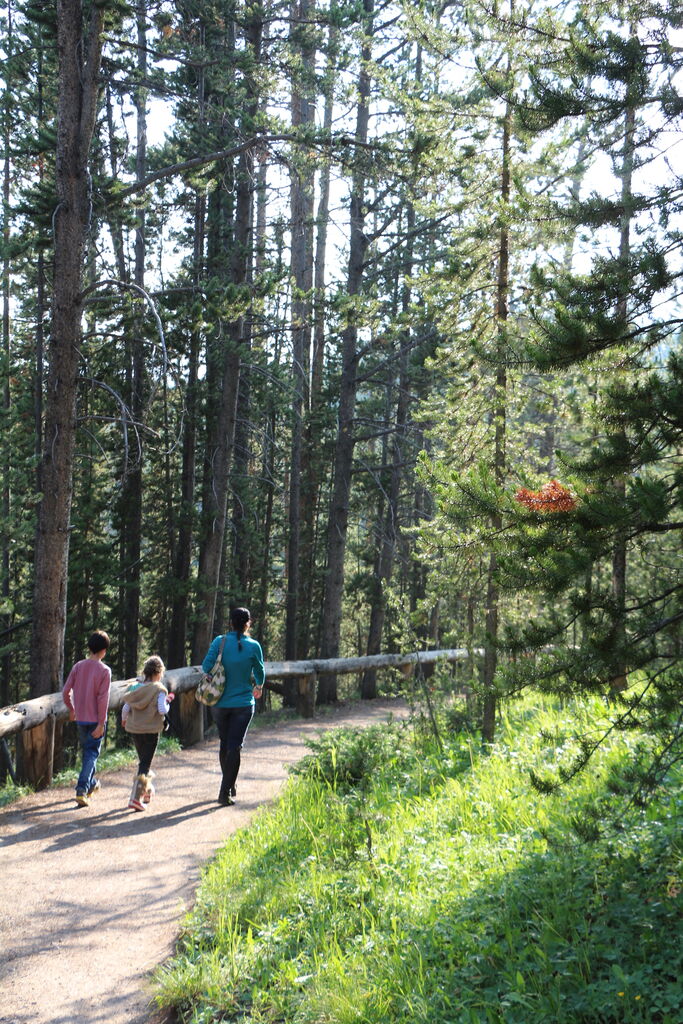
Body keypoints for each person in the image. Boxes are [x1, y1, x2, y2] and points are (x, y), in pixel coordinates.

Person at [201, 607, 265, 806]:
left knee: (225, 742)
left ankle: (228, 783)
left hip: (219, 702)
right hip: (243, 703)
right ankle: (225, 789)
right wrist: (258, 686)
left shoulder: (219, 642)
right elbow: (260, 671)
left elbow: (206, 666)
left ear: (231, 622)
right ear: (248, 623)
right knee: (235, 746)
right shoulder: (254, 646)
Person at [62, 630, 112, 808]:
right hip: (95, 720)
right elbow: (103, 699)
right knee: (91, 754)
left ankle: (91, 784)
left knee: (88, 754)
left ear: (90, 648)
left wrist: (72, 708)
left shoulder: (78, 666)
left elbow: (65, 691)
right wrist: (101, 722)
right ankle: (81, 790)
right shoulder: (105, 671)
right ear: (104, 650)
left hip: (80, 719)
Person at [121, 655, 174, 811]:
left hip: (135, 729)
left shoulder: (134, 688)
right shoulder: (159, 689)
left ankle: (147, 791)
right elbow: (162, 710)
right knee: (145, 764)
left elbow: (125, 708)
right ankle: (135, 798)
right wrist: (168, 702)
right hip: (151, 730)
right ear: (159, 673)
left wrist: (124, 721)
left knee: (144, 761)